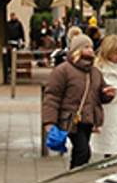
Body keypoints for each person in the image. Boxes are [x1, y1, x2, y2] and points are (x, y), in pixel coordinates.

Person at [41, 38, 105, 168]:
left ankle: (74, 173)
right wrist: (49, 122)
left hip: (88, 119)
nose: (90, 50)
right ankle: (75, 174)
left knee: (80, 152)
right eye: (86, 47)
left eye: (91, 47)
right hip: (70, 119)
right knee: (83, 151)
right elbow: (52, 97)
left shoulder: (95, 72)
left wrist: (107, 94)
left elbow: (99, 95)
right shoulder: (63, 71)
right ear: (77, 50)